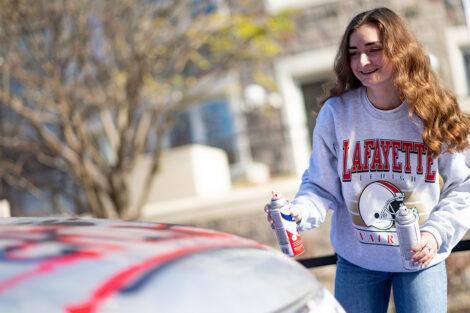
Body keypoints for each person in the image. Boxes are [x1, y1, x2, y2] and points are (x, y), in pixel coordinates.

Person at [264, 7, 470, 313]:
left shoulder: (434, 111)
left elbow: (463, 186)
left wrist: (435, 233)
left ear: (401, 51)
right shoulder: (337, 114)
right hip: (358, 261)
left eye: (374, 50)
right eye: (354, 52)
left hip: (420, 259)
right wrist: (297, 212)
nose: (362, 61)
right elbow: (321, 187)